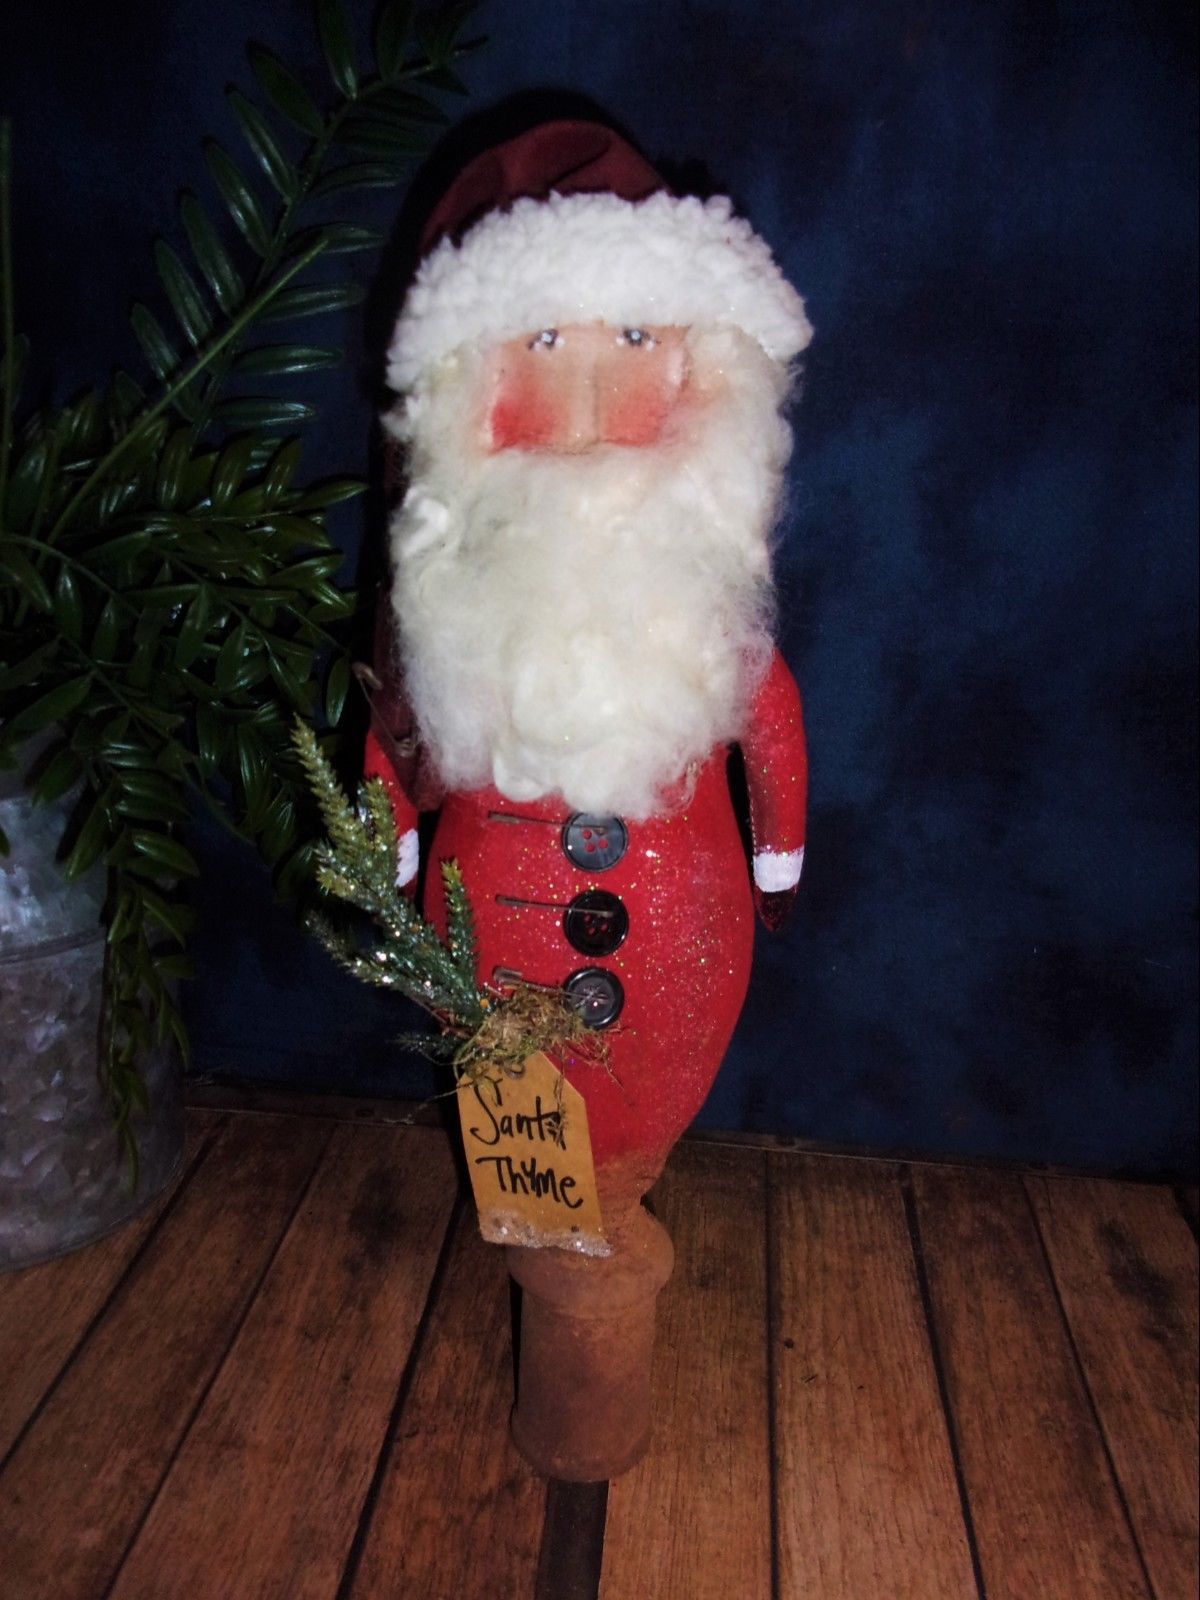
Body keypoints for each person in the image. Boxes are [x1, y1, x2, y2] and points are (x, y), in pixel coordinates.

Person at [366, 119, 811, 1195]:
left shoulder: (707, 615)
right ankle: (565, 1232)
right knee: (532, 1163)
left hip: (682, 951)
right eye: (547, 341)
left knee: (625, 1154)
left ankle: (615, 1199)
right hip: (486, 954)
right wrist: (388, 855)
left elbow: (771, 718)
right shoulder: (454, 611)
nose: (595, 387)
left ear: (701, 369)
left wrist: (778, 853)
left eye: (636, 335)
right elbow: (398, 733)